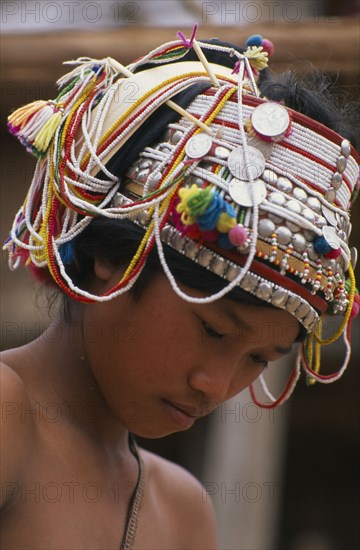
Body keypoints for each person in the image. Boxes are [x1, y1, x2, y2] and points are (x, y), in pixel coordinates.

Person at [1, 28, 359, 549]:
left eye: (258, 359)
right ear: (111, 257)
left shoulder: (182, 513)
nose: (215, 385)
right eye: (213, 331)